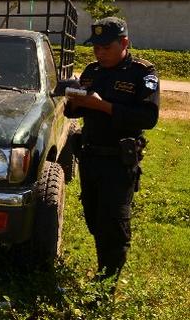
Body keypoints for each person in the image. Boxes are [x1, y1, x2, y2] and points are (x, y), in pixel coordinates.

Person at [65, 17, 159, 287]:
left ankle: (105, 287)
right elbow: (78, 110)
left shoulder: (142, 73)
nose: (100, 53)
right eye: (96, 47)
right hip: (90, 156)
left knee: (114, 225)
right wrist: (72, 102)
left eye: (106, 47)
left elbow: (148, 118)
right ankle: (103, 271)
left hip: (119, 162)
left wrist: (102, 106)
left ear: (124, 43)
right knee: (94, 218)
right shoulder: (93, 71)